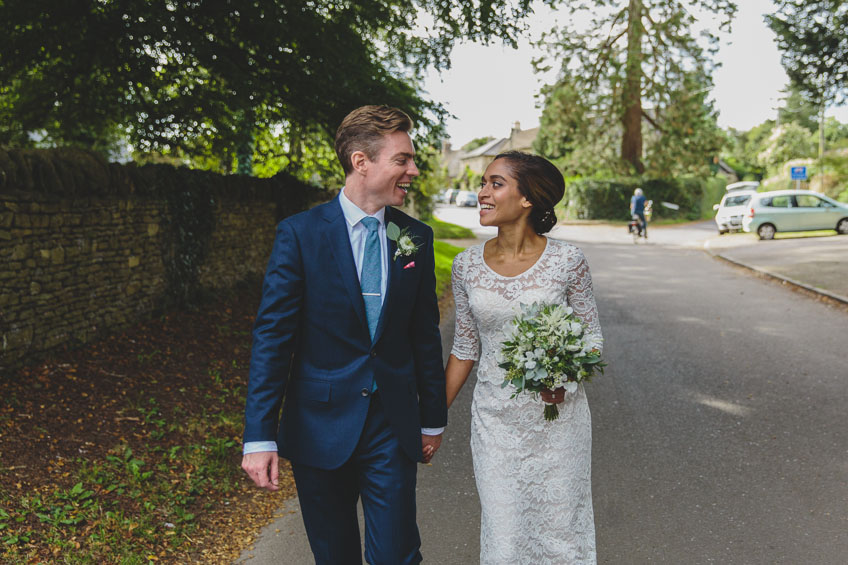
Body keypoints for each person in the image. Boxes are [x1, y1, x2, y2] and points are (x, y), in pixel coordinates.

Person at [241, 105, 447, 565]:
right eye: (402, 160)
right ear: (361, 162)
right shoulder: (300, 234)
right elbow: (273, 338)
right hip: (319, 423)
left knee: (397, 554)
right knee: (334, 556)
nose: (413, 170)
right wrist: (259, 436)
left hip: (391, 425)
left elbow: (423, 334)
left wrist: (432, 417)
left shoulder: (415, 237)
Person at [445, 151, 602, 564]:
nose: (482, 192)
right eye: (483, 183)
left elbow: (592, 340)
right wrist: (431, 418)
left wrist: (563, 377)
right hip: (495, 422)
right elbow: (465, 348)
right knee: (504, 530)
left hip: (558, 422)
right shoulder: (465, 268)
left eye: (495, 184)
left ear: (528, 198)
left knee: (560, 531)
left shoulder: (569, 261)